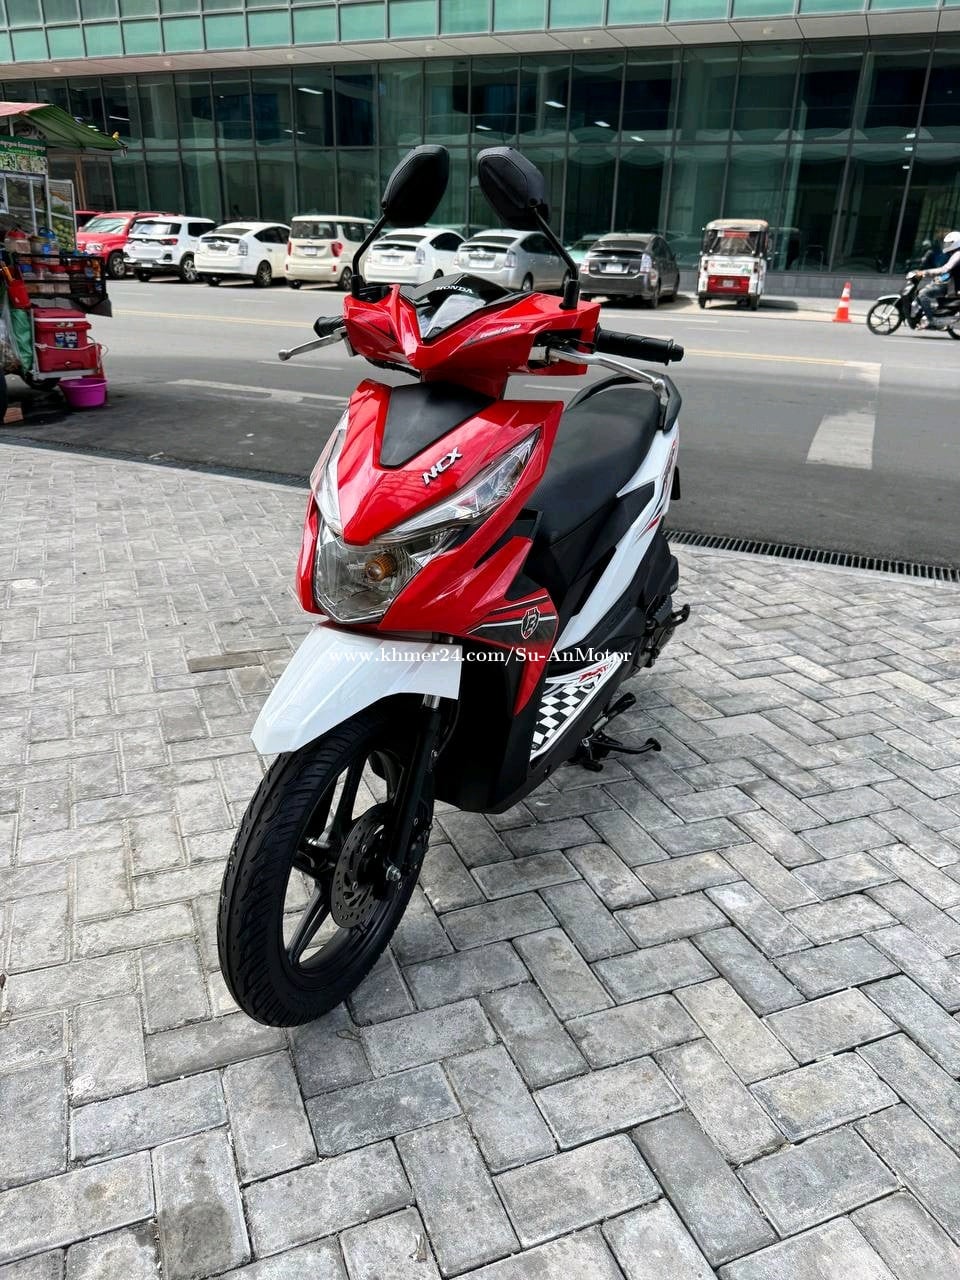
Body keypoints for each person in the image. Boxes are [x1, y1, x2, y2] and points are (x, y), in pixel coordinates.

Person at [915, 230, 960, 329]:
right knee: (928, 288)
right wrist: (937, 278)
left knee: (923, 294)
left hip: (953, 286)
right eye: (947, 243)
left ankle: (931, 320)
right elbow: (950, 272)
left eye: (950, 243)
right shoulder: (954, 254)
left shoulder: (958, 254)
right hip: (950, 283)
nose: (947, 245)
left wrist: (925, 272)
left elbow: (945, 269)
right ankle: (933, 313)